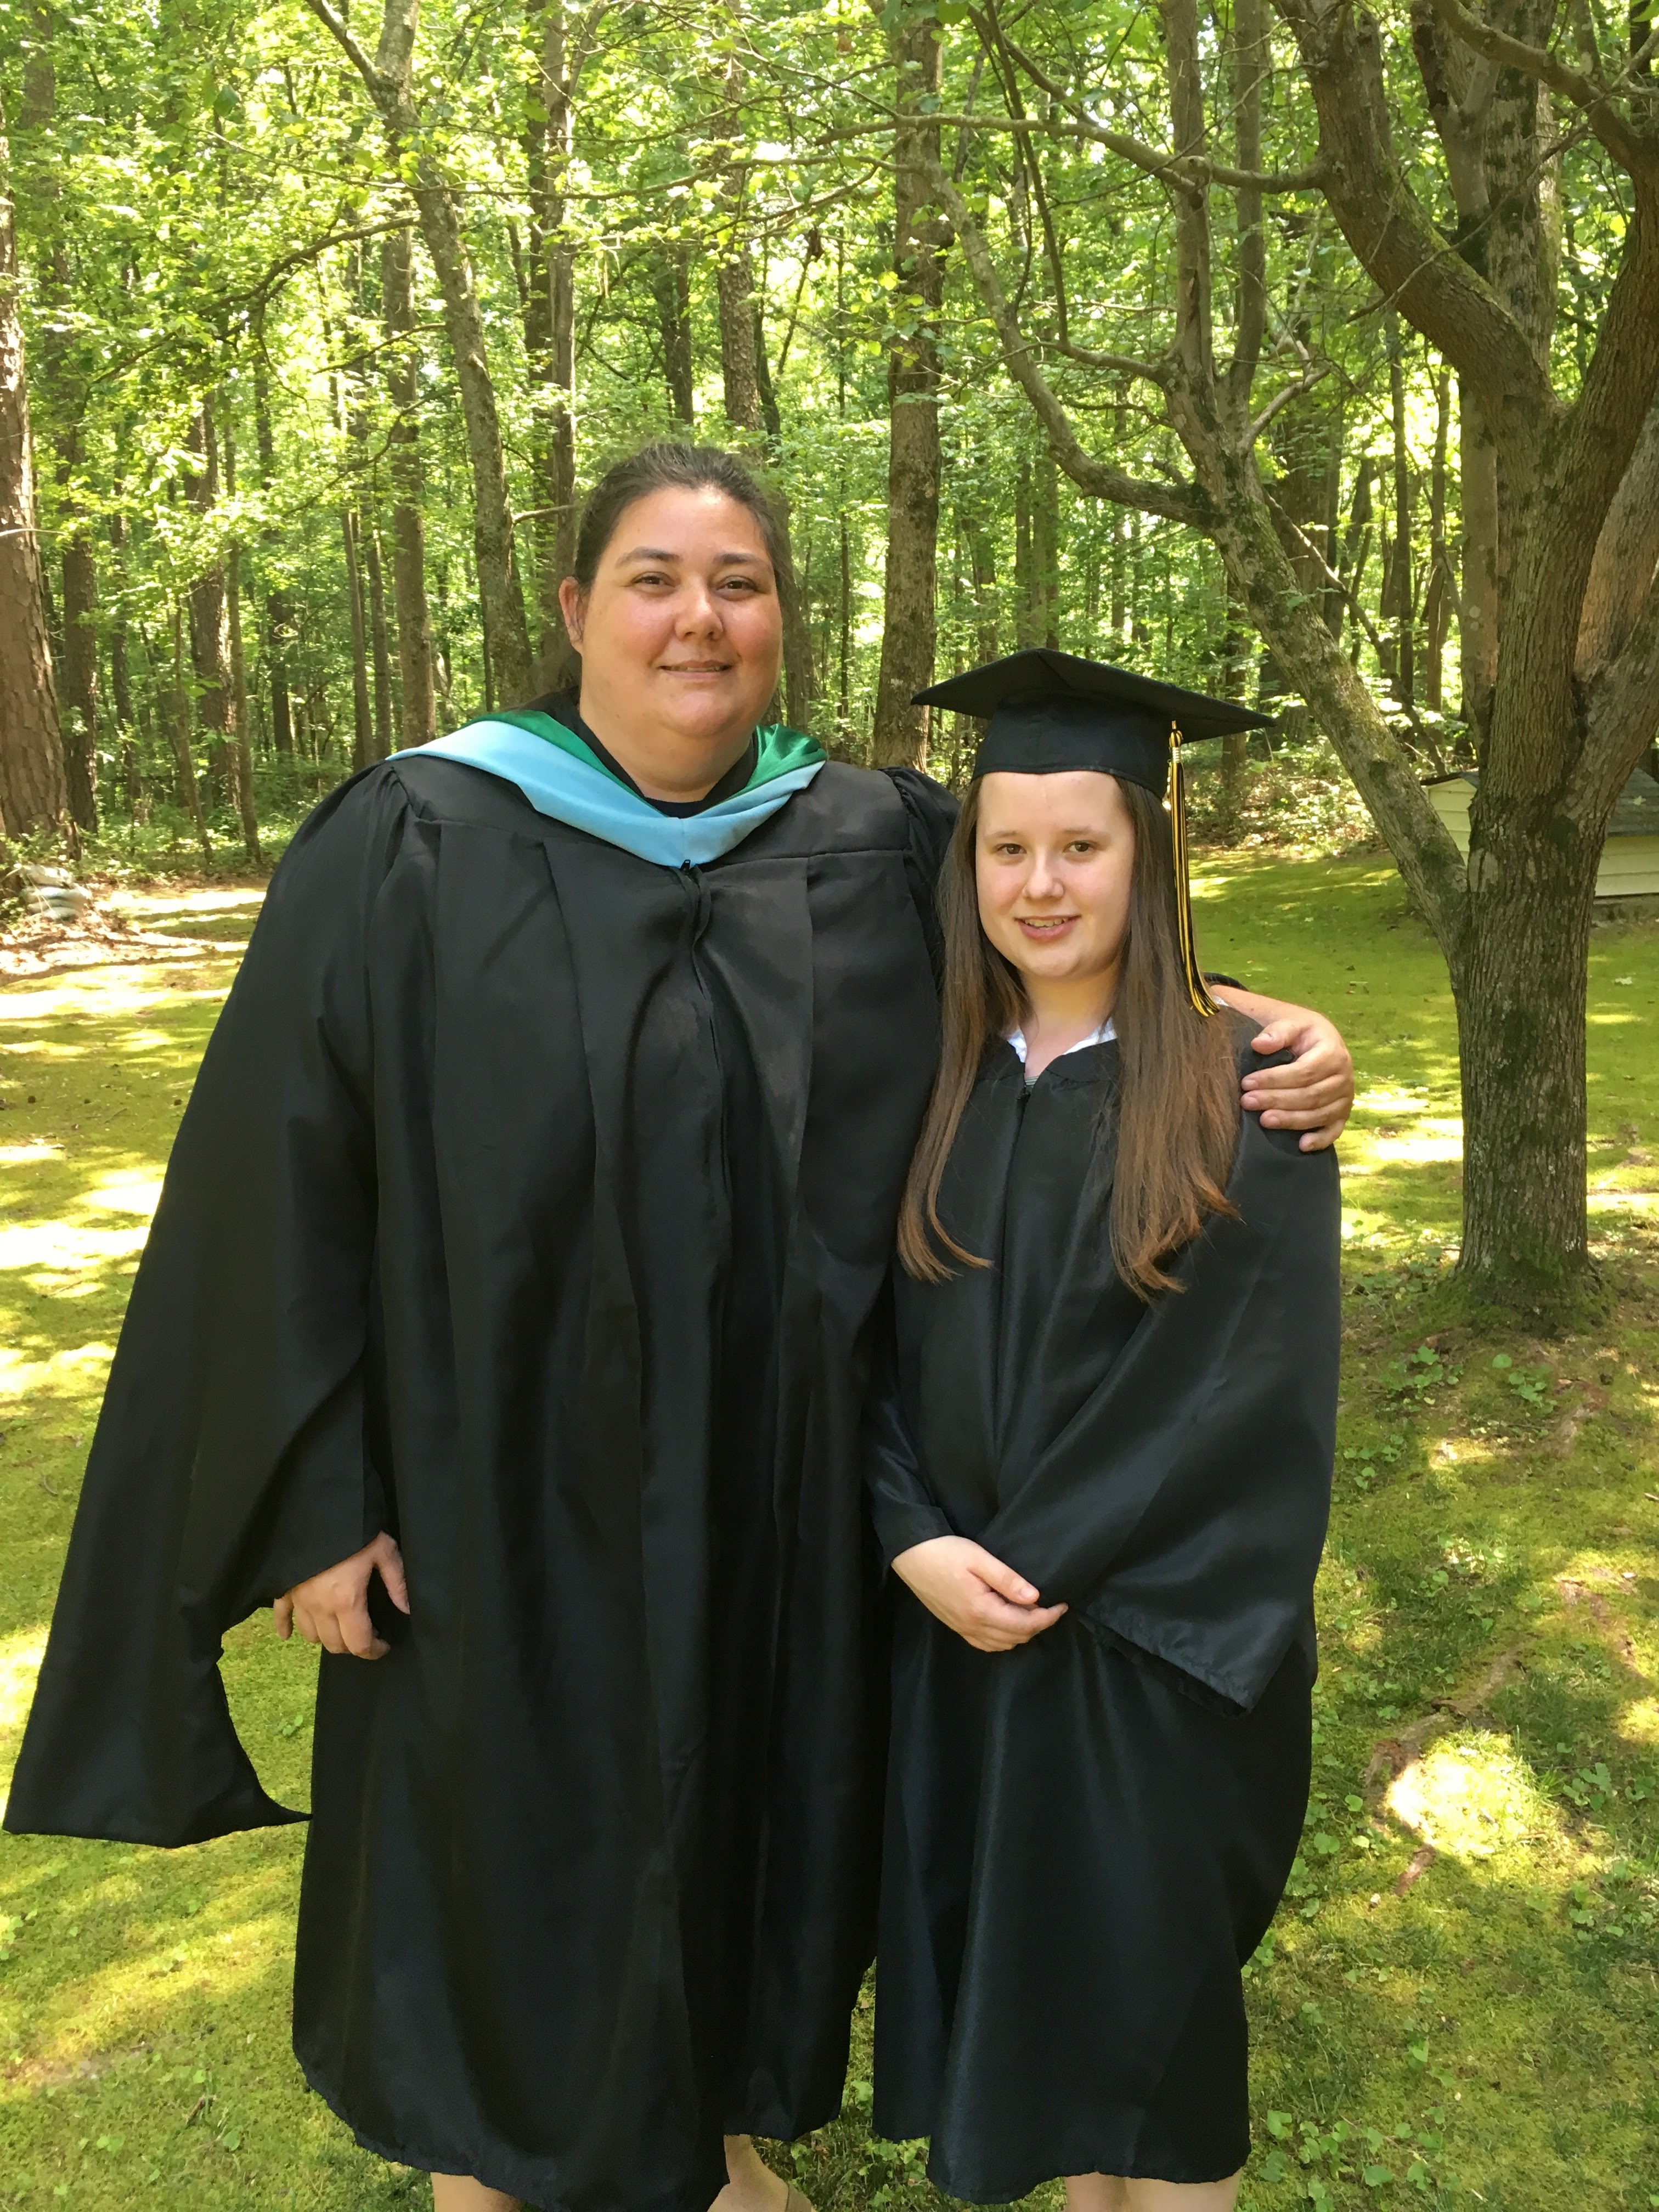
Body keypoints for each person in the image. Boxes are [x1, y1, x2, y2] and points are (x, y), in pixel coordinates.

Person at [5, 454, 1350, 2212]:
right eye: (654, 577)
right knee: (503, 1828)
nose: (699, 617)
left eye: (740, 582)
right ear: (576, 613)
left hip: (771, 1488)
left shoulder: (875, 837)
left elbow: (1083, 958)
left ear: (782, 622)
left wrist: (1281, 1032)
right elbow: (279, 1176)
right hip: (489, 1485)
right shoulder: (416, 834)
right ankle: (487, 2168)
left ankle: (712, 2146)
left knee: (731, 1807)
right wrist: (319, 1496)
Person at [864, 652, 1341, 2211]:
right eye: (1008, 847)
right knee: (1050, 2047)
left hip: (1150, 1653)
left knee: (1157, 2058)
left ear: (1152, 851)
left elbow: (1231, 1393)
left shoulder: (1245, 1082)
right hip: (966, 1637)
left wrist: (1020, 1567)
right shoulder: (923, 1085)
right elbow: (856, 1349)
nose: (1042, 882)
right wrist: (912, 1537)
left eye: (1084, 844)